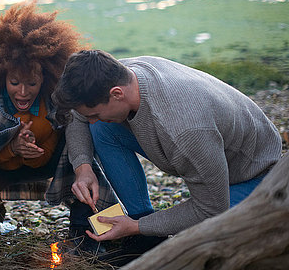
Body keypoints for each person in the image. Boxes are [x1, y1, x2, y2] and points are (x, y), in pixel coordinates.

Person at [52, 50, 282, 263]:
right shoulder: (119, 75)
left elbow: (210, 209)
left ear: (117, 94)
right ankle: (143, 229)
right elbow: (78, 116)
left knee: (208, 239)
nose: (90, 119)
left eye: (94, 113)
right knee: (101, 128)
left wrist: (136, 226)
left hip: (256, 175)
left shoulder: (184, 131)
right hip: (205, 154)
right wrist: (83, 167)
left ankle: (139, 226)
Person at [0, 4, 117, 254]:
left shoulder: (57, 101)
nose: (23, 92)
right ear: (1, 75)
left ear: (47, 78)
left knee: (91, 164)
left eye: (32, 83)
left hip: (43, 167)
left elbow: (68, 145)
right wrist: (10, 147)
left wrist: (33, 152)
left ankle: (85, 235)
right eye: (14, 82)